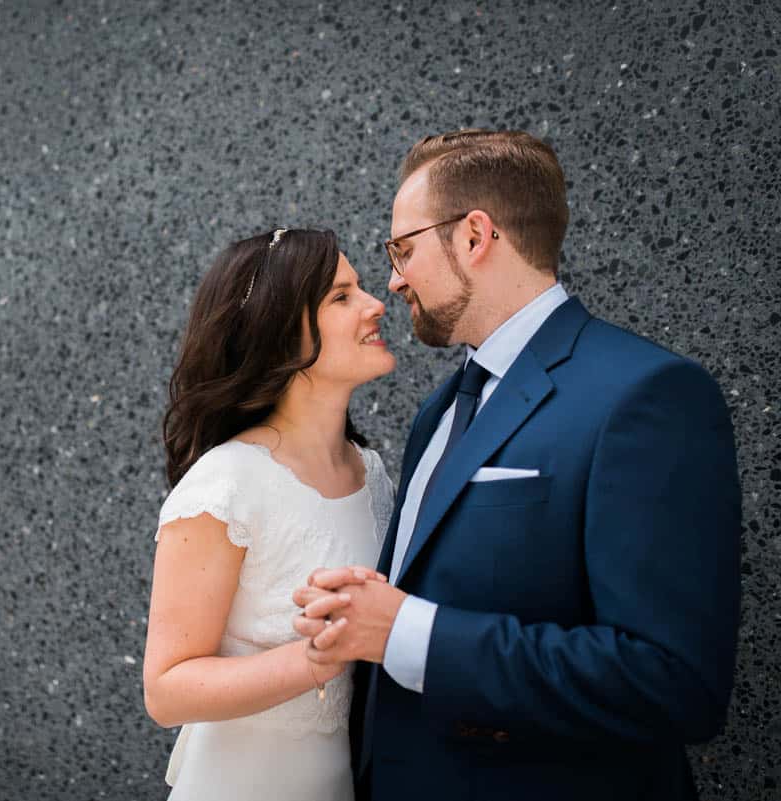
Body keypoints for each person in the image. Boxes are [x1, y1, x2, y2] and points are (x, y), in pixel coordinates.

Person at [292, 129, 741, 801]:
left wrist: (410, 631)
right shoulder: (439, 409)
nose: (393, 278)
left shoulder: (647, 395)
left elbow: (674, 681)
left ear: (475, 236)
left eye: (403, 248)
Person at [142, 228, 398, 800]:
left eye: (361, 288)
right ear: (280, 333)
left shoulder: (372, 472)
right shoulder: (226, 482)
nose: (376, 304)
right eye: (342, 296)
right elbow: (166, 689)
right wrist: (316, 658)